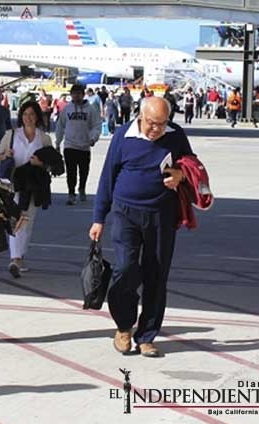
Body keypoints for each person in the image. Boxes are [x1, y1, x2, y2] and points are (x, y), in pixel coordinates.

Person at [89, 96, 191, 358]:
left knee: (156, 276)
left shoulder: (176, 135)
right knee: (125, 270)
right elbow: (108, 176)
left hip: (161, 215)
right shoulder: (124, 135)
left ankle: (146, 336)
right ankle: (124, 326)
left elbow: (192, 165)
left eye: (161, 123)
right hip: (126, 213)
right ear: (140, 116)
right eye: (151, 123)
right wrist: (99, 218)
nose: (155, 129)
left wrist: (180, 175)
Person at [0, 100, 50, 278]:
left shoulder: (44, 138)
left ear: (37, 117)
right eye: (25, 114)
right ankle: (15, 258)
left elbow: (53, 162)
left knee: (27, 221)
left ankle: (20, 255)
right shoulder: (11, 135)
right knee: (15, 219)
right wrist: (5, 154)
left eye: (32, 114)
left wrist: (41, 163)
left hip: (33, 185)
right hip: (13, 183)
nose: (28, 118)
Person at [56, 83, 101, 205]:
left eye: (79, 94)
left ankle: (82, 188)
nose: (76, 96)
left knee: (83, 171)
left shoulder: (90, 109)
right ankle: (71, 193)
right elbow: (60, 125)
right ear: (71, 95)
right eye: (74, 94)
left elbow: (96, 125)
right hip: (70, 145)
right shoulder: (67, 109)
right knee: (71, 171)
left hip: (84, 146)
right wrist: (57, 142)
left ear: (83, 94)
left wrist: (93, 138)